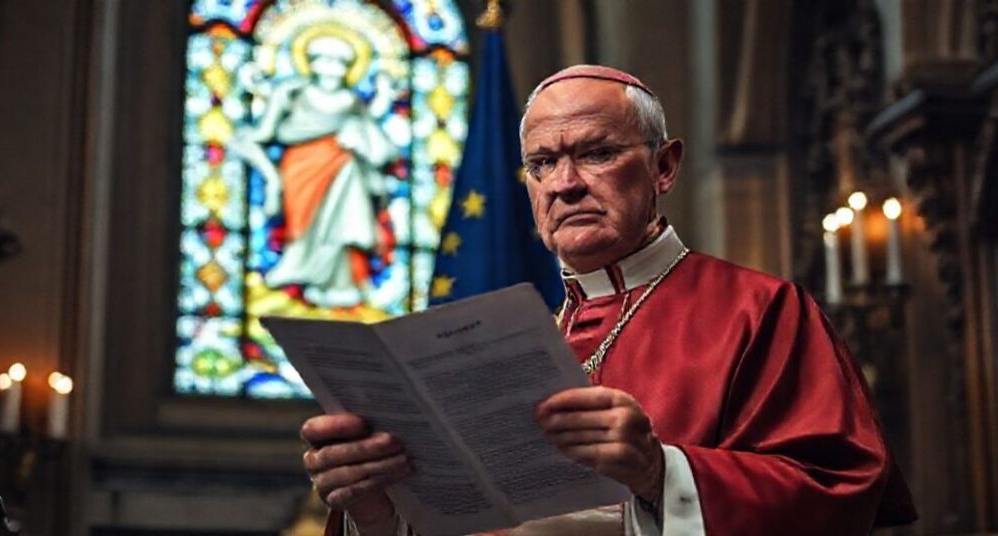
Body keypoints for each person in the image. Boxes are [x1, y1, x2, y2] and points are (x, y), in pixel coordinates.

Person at [299, 65, 916, 535]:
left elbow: (840, 491)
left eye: (596, 153)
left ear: (664, 167)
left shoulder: (761, 310)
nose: (564, 184)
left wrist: (660, 474)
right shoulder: (510, 336)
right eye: (542, 163)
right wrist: (377, 512)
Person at [230, 33, 399, 309]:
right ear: (312, 64)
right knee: (310, 226)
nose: (333, 68)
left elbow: (372, 130)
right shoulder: (293, 93)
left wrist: (382, 95)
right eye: (325, 60)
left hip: (344, 169)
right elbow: (259, 135)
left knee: (350, 188)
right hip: (302, 172)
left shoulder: (352, 101)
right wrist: (272, 180)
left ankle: (346, 285)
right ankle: (298, 267)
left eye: (341, 62)